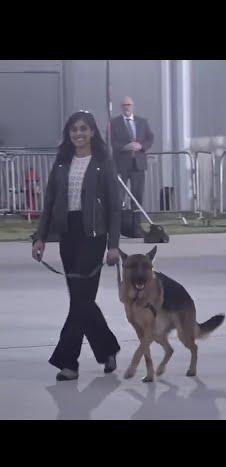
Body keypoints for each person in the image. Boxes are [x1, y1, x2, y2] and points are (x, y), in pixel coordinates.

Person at [32, 111, 122, 381]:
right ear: (68, 134)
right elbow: (49, 202)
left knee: (81, 300)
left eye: (83, 129)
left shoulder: (103, 162)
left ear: (92, 132)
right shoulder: (62, 162)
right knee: (81, 300)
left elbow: (115, 208)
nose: (79, 134)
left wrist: (114, 245)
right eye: (74, 130)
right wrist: (40, 237)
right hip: (67, 235)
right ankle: (107, 347)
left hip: (94, 236)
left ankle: (67, 360)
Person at [110, 96, 154, 238]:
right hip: (121, 165)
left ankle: (136, 228)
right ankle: (115, 228)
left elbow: (150, 138)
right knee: (118, 197)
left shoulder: (142, 122)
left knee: (137, 197)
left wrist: (142, 146)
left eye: (129, 105)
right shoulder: (114, 123)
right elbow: (112, 141)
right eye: (124, 105)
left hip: (138, 165)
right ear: (121, 107)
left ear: (133, 106)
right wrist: (124, 147)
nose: (127, 107)